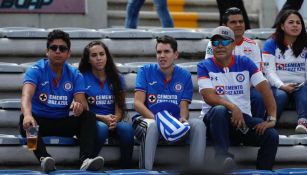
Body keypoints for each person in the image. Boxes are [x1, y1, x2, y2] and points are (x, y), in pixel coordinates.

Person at [19, 30, 104, 173]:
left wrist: (78, 107)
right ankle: (43, 158)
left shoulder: (75, 74)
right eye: (53, 48)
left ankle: (85, 159)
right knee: (25, 121)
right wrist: (28, 114)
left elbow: (82, 104)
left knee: (88, 117)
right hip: (39, 120)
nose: (58, 51)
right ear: (47, 52)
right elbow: (26, 96)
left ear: (68, 53)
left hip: (63, 121)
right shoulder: (36, 70)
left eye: (62, 48)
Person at [198, 26, 278, 170]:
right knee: (220, 110)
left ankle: (263, 172)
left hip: (241, 122)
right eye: (215, 43)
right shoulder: (204, 66)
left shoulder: (245, 62)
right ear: (211, 46)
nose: (220, 46)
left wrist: (272, 118)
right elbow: (208, 97)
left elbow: (265, 89)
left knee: (271, 135)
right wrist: (233, 107)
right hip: (214, 123)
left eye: (225, 42)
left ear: (234, 44)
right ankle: (222, 157)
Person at [133, 35, 206, 170]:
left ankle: (197, 170)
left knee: (198, 125)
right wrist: (159, 120)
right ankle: (145, 171)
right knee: (153, 125)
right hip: (147, 121)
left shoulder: (184, 76)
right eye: (159, 52)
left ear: (176, 55)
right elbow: (137, 104)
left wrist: (183, 119)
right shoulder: (145, 71)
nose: (162, 55)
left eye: (166, 51)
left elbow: (183, 107)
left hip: (174, 124)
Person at [78, 41, 134, 168]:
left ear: (107, 56)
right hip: (93, 120)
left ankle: (125, 167)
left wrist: (115, 120)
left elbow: (120, 106)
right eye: (94, 55)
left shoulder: (117, 77)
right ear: (88, 59)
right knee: (101, 129)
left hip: (113, 120)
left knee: (127, 130)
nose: (98, 58)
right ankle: (87, 163)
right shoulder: (81, 77)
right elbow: (84, 110)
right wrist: (103, 118)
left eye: (102, 54)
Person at [205, 7, 265, 120]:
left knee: (259, 96)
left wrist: (239, 87)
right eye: (233, 22)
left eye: (241, 21)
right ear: (225, 26)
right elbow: (210, 69)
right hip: (221, 87)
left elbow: (256, 74)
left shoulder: (252, 45)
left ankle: (256, 129)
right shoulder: (213, 44)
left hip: (246, 88)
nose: (238, 25)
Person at [262, 10, 307, 133]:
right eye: (291, 22)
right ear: (282, 26)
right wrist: (282, 86)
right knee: (281, 96)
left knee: (304, 91)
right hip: (279, 85)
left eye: (298, 23)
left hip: (301, 85)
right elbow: (269, 71)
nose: (295, 25)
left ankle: (303, 122)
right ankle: (271, 122)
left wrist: (303, 84)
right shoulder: (271, 43)